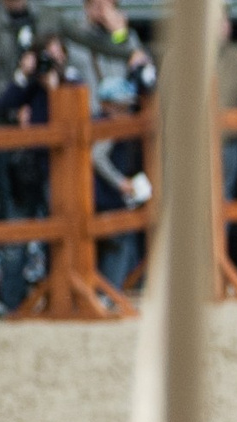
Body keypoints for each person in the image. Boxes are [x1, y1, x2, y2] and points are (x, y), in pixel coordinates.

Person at [0, 0, 62, 317]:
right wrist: (17, 98)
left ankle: (57, 290)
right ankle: (11, 297)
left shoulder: (47, 17)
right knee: (14, 216)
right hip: (6, 133)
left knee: (56, 210)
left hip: (48, 129)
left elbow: (70, 56)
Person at [89, 75, 149, 291]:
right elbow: (97, 157)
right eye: (120, 108)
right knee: (122, 238)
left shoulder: (101, 122)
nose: (125, 113)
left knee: (120, 240)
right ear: (107, 106)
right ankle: (109, 291)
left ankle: (110, 290)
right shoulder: (108, 126)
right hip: (103, 198)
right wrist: (120, 182)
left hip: (103, 197)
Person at [213, 9, 237, 200]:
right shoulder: (180, 58)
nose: (223, 26)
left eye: (225, 20)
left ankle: (221, 232)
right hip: (191, 145)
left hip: (228, 141)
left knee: (224, 198)